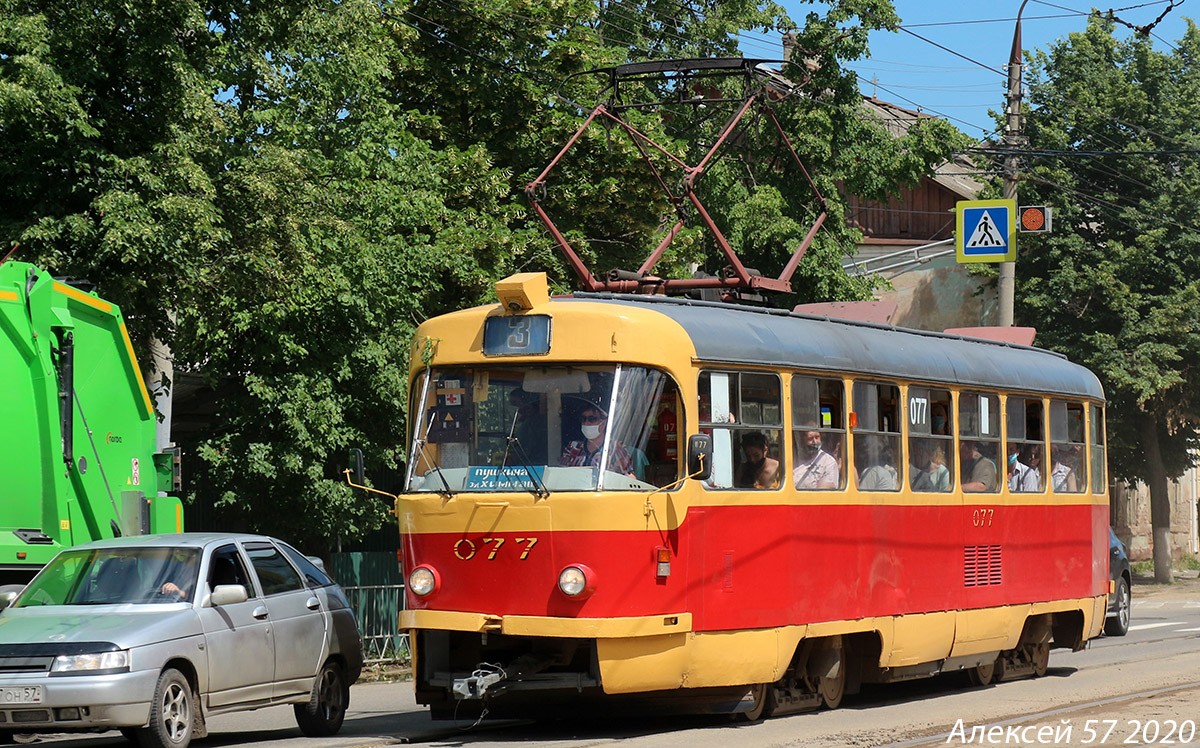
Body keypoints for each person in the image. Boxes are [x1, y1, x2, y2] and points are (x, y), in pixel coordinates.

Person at [561, 402, 635, 476]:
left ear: (604, 422)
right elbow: (561, 474)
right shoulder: (573, 447)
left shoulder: (616, 449)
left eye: (592, 419)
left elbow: (630, 478)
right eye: (583, 419)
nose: (586, 423)